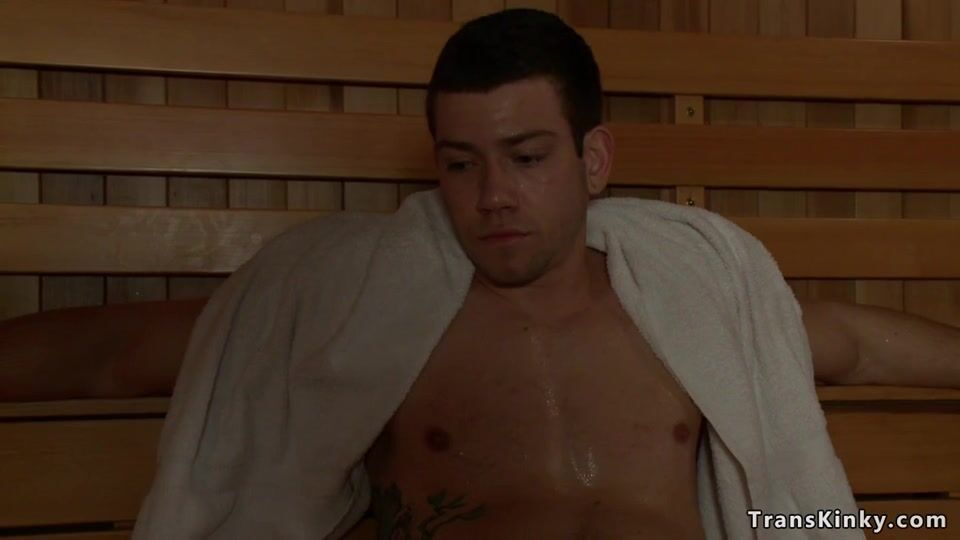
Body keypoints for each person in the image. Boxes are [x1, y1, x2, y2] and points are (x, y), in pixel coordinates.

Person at [1, 8, 959, 539]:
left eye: (527, 158)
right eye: (461, 165)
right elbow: (114, 352)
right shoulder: (353, 312)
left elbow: (853, 342)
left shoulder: (694, 302)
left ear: (593, 159)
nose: (493, 196)